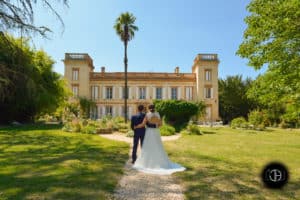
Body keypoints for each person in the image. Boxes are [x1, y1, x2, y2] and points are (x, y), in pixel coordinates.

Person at [132, 104, 186, 175]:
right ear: (154, 108)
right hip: (156, 131)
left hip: (149, 132)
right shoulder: (157, 114)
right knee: (158, 145)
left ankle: (148, 162)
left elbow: (143, 124)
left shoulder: (147, 115)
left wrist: (136, 127)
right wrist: (155, 125)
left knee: (148, 146)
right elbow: (160, 124)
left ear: (148, 108)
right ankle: (159, 161)